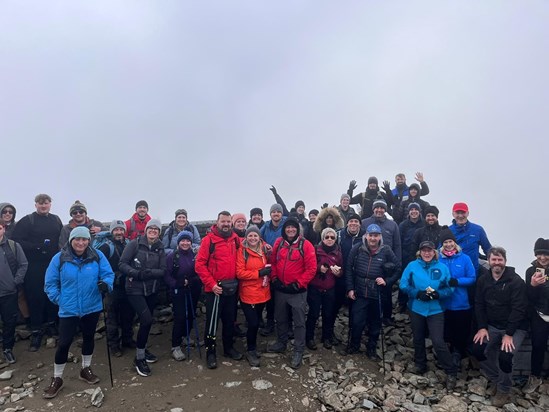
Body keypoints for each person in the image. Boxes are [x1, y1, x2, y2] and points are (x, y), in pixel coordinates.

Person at [43, 227, 114, 399]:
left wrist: (106, 284)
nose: (80, 243)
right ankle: (57, 378)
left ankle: (85, 369)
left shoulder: (97, 255)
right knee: (64, 343)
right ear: (71, 240)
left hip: (92, 306)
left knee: (89, 337)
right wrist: (60, 300)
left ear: (89, 240)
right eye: (77, 239)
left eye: (84, 239)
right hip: (69, 309)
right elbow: (50, 283)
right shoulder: (59, 258)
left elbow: (108, 274)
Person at [471, 247, 528, 407]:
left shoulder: (516, 281)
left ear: (505, 261)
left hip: (516, 327)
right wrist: (482, 327)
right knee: (476, 350)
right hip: (492, 326)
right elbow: (479, 304)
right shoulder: (483, 280)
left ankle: (504, 390)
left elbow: (519, 309)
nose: (497, 263)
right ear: (488, 261)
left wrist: (509, 334)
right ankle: (497, 379)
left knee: (505, 356)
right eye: (494, 260)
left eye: (500, 260)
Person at [399, 241, 457, 389]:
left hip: (435, 310)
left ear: (434, 252)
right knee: (418, 338)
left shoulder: (442, 267)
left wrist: (439, 294)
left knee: (438, 341)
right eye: (424, 250)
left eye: (429, 250)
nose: (427, 253)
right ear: (420, 252)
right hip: (416, 307)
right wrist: (417, 293)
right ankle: (420, 364)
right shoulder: (412, 266)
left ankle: (451, 371)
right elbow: (403, 284)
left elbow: (450, 287)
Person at [12, 193, 63, 351]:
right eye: (40, 203)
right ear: (35, 205)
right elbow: (17, 240)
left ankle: (51, 325)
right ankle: (36, 330)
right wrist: (37, 246)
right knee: (35, 295)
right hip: (33, 264)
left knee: (52, 293)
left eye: (46, 203)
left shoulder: (56, 220)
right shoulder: (28, 220)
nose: (43, 206)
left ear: (50, 204)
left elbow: (62, 239)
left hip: (53, 263)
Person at [119, 219, 166, 377]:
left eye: (156, 229)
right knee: (146, 320)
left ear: (159, 232)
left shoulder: (160, 248)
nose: (153, 230)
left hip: (151, 290)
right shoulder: (135, 244)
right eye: (150, 228)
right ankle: (139, 358)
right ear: (145, 230)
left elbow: (163, 270)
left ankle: (142, 349)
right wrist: (137, 274)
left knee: (146, 321)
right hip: (134, 289)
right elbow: (123, 264)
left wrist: (147, 273)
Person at [195, 211, 242, 369]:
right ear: (217, 222)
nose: (226, 224)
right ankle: (210, 352)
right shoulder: (208, 240)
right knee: (212, 323)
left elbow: (249, 246)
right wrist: (212, 284)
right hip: (214, 289)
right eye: (223, 221)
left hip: (231, 288)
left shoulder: (235, 239)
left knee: (229, 321)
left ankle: (228, 348)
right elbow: (199, 265)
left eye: (229, 222)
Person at [345, 224, 400, 358]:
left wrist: (387, 281)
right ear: (366, 236)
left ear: (380, 237)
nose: (373, 238)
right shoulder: (357, 248)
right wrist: (350, 288)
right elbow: (348, 268)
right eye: (371, 235)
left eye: (376, 235)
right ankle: (354, 344)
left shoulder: (386, 250)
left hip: (377, 293)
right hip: (360, 291)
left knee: (375, 322)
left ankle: (371, 348)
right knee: (357, 321)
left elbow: (398, 268)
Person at [267, 218, 316, 369]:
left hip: (297, 291)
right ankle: (281, 342)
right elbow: (273, 261)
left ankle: (298, 350)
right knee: (280, 317)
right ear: (284, 229)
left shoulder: (305, 245)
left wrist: (298, 284)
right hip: (281, 289)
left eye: (293, 228)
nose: (290, 230)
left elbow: (311, 268)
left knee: (299, 321)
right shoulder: (279, 243)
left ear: (297, 229)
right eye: (288, 227)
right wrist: (274, 278)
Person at [438, 227, 475, 367]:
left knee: (461, 333)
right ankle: (447, 359)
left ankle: (458, 357)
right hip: (444, 304)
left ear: (455, 243)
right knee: (446, 333)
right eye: (445, 242)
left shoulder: (464, 258)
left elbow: (472, 278)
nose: (448, 244)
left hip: (461, 303)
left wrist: (457, 281)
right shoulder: (438, 259)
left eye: (450, 241)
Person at [361, 198, 402, 325]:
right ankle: (369, 318)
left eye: (382, 208)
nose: (379, 210)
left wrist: (397, 263)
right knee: (369, 291)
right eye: (377, 207)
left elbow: (397, 245)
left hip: (387, 263)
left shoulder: (392, 224)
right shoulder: (364, 222)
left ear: (385, 209)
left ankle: (387, 316)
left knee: (386, 290)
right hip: (369, 261)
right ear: (373, 209)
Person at [235, 226, 271, 367]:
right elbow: (239, 273)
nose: (253, 238)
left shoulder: (264, 249)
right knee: (253, 323)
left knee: (257, 322)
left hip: (262, 291)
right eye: (250, 235)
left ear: (259, 237)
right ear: (246, 237)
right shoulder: (242, 251)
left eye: (255, 236)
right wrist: (259, 273)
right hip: (248, 292)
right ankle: (250, 350)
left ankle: (253, 348)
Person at [98, 220, 134, 357]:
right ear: (112, 232)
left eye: (121, 230)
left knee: (128, 315)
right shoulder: (106, 247)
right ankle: (113, 345)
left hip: (128, 286)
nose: (119, 232)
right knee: (112, 317)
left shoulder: (129, 244)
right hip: (112, 287)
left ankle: (127, 340)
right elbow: (98, 265)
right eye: (116, 230)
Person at [164, 231, 202, 361]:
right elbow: (167, 275)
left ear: (191, 242)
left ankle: (186, 336)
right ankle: (175, 346)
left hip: (193, 288)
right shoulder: (172, 256)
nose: (185, 243)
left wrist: (193, 281)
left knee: (191, 313)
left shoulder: (195, 254)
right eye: (183, 241)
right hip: (178, 290)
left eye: (188, 241)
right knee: (180, 316)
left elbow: (200, 270)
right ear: (178, 242)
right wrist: (177, 284)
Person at [306, 228, 343, 351]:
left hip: (330, 288)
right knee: (313, 313)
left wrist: (338, 273)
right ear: (322, 238)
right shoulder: (315, 250)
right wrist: (318, 268)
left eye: (332, 237)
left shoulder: (338, 253)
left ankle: (326, 337)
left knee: (328, 314)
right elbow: (308, 264)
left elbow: (342, 270)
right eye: (327, 237)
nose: (330, 239)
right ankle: (309, 338)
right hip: (315, 287)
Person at [523, 238, 549, 394]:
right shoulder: (530, 271)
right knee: (538, 346)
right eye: (539, 254)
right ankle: (535, 376)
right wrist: (533, 286)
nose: (543, 258)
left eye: (546, 254)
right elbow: (529, 298)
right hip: (539, 315)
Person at [0, 219, 28, 363]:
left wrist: (15, 281)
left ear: (3, 228)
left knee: (9, 322)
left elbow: (23, 264)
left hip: (9, 292)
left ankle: (8, 349)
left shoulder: (13, 246)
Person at [449, 202, 491, 274]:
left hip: (473, 272)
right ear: (453, 214)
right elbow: (441, 252)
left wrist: (496, 262)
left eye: (463, 212)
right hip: (454, 273)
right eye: (457, 213)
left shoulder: (478, 230)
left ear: (468, 213)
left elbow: (488, 250)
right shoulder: (448, 231)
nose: (460, 215)